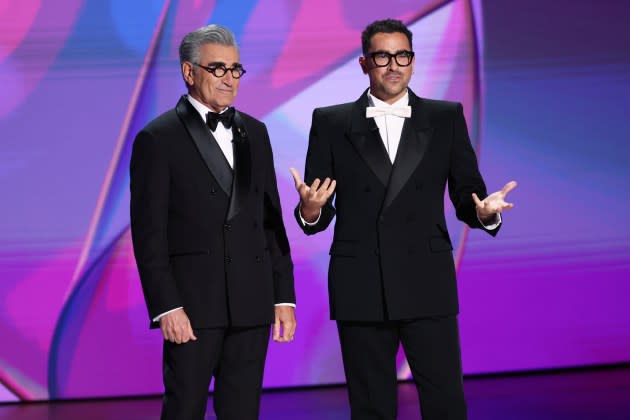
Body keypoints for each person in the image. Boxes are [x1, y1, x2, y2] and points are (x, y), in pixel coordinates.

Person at [290, 18, 516, 420]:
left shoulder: (445, 117)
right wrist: (310, 211)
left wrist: (482, 213)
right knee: (371, 406)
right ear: (364, 63)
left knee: (445, 401)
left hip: (427, 281)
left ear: (412, 61)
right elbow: (317, 207)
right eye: (382, 56)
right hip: (361, 283)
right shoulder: (331, 122)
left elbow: (468, 194)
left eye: (402, 55)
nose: (393, 65)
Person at [130, 24, 296, 420]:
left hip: (252, 302)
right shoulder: (159, 138)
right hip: (192, 306)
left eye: (235, 69)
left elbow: (269, 220)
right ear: (190, 73)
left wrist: (282, 295)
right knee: (184, 409)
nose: (229, 78)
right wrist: (167, 306)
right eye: (217, 68)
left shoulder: (255, 131)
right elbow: (148, 233)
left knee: (242, 411)